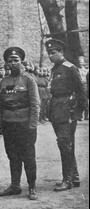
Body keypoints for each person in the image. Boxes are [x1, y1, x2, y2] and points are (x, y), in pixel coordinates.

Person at [0, 47, 40, 200]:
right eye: (10, 61)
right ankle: (15, 185)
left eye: (16, 60)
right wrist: (0, 123)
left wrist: (33, 124)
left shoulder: (28, 80)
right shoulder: (4, 81)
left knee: (28, 156)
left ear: (21, 62)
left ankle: (32, 186)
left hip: (25, 124)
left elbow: (35, 104)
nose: (13, 63)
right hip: (9, 124)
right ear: (6, 63)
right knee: (12, 156)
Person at [45, 39, 87, 191]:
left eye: (53, 53)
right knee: (66, 144)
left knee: (65, 144)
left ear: (61, 52)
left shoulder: (70, 68)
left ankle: (67, 180)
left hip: (67, 111)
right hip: (57, 110)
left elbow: (81, 91)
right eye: (49, 53)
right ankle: (74, 177)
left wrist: (78, 111)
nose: (50, 56)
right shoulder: (54, 69)